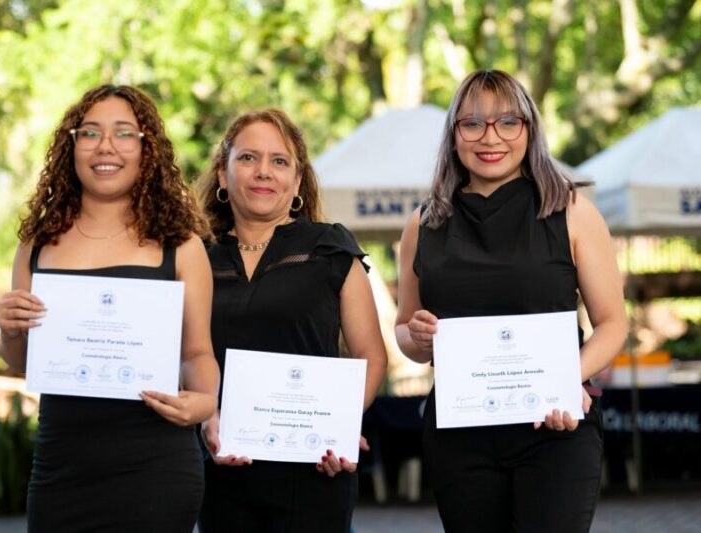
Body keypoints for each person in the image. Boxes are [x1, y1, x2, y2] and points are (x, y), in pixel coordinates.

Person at [395, 70, 627, 533]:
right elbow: (405, 331)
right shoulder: (422, 224)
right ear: (454, 135)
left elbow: (613, 324)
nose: (490, 137)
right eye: (473, 124)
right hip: (459, 433)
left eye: (507, 122)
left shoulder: (572, 210)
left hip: (555, 425)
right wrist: (417, 337)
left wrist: (565, 380)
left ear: (529, 129)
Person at [0, 84, 219, 532]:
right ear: (72, 146)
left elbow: (196, 354)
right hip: (63, 466)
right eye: (90, 133)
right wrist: (10, 329)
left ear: (145, 149)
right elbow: (23, 362)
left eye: (123, 133)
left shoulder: (181, 246)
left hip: (156, 467)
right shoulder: (37, 245)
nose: (106, 147)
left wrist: (204, 403)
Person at [194, 109, 388, 533]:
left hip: (314, 471)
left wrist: (341, 423)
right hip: (221, 467)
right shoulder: (195, 257)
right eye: (248, 158)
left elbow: (371, 354)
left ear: (297, 181)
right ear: (223, 175)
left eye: (279, 161)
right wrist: (208, 418)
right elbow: (182, 354)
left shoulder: (330, 249)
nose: (264, 172)